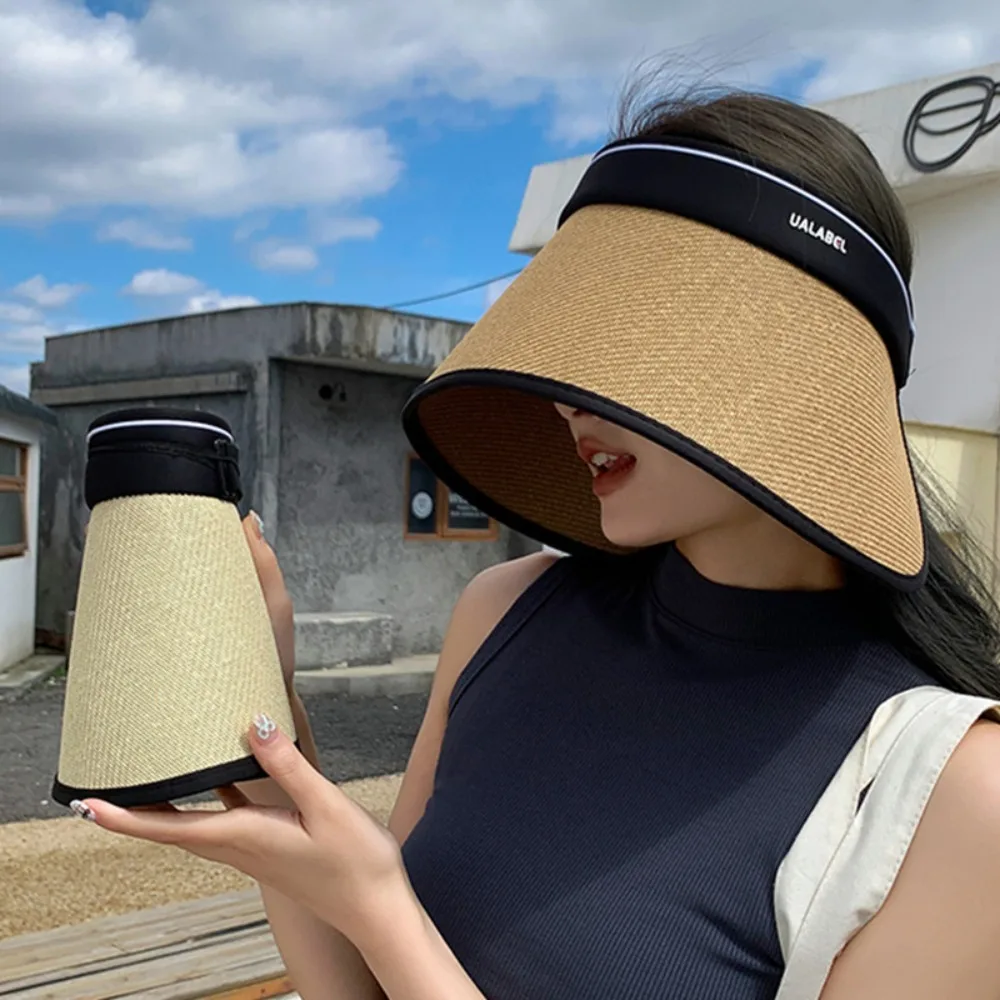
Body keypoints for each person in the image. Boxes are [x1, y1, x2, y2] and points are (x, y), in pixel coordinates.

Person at [71, 82, 1000, 1000]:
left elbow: (389, 932)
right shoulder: (506, 613)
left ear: (796, 367)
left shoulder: (951, 794)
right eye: (575, 350)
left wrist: (382, 904)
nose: (569, 400)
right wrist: (271, 741)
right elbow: (355, 990)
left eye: (633, 346)